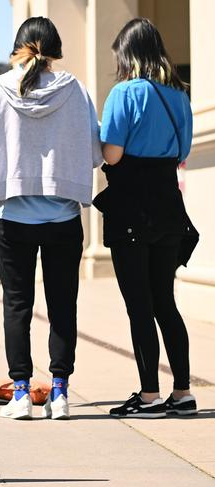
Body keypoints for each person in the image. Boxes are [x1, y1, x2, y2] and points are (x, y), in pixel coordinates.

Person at [0, 16, 102, 420]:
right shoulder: (75, 90)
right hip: (62, 215)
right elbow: (93, 151)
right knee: (64, 304)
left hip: (14, 216)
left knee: (17, 305)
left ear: (18, 47)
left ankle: (22, 393)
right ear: (54, 49)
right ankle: (59, 393)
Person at [95, 18, 198, 418]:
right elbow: (183, 153)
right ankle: (184, 393)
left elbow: (112, 155)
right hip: (169, 208)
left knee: (139, 306)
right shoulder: (180, 96)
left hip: (131, 210)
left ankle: (150, 396)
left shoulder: (124, 93)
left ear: (128, 54)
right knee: (165, 304)